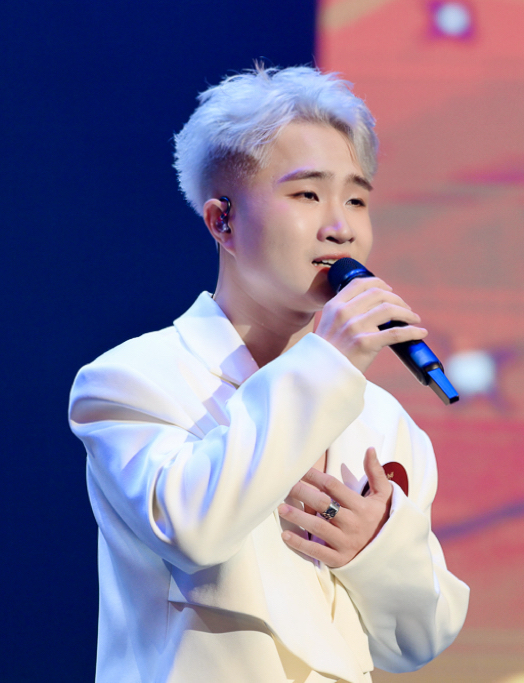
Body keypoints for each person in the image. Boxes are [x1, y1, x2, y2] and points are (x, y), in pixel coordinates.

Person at [68, 64, 469, 683]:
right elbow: (192, 528)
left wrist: (375, 550)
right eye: (307, 195)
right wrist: (329, 361)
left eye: (356, 199)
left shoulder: (383, 420)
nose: (340, 227)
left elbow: (418, 640)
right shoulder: (130, 380)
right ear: (222, 221)